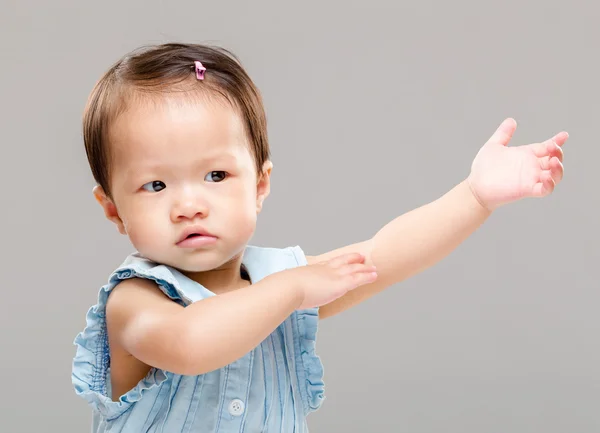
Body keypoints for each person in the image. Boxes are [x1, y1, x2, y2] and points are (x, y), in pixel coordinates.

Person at [72, 43, 567, 432]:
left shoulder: (282, 276)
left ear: (260, 185)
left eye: (216, 176)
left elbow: (385, 255)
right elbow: (192, 341)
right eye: (156, 185)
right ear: (114, 209)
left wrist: (475, 196)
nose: (189, 204)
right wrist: (293, 290)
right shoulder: (135, 301)